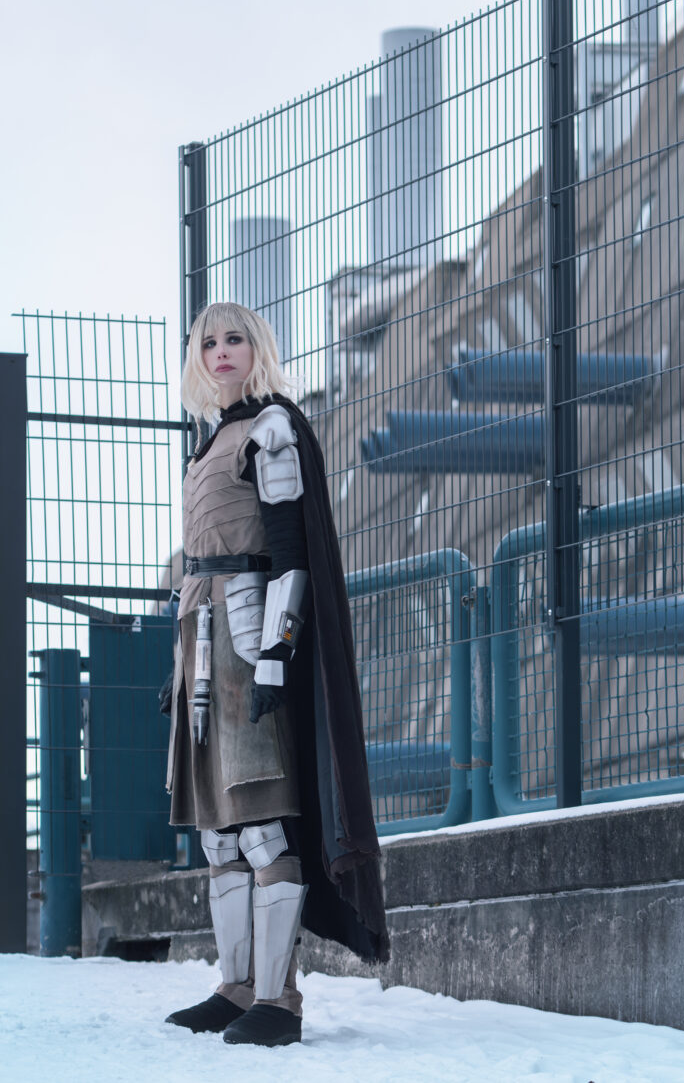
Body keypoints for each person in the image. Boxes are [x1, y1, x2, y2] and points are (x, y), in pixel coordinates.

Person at [163, 302, 389, 1047]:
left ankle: (277, 1000)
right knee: (219, 835)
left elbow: (292, 557)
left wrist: (276, 653)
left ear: (256, 346)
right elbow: (197, 563)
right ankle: (236, 987)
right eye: (209, 341)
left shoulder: (272, 428)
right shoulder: (207, 444)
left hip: (250, 633)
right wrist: (180, 664)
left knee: (262, 826)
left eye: (235, 338)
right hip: (202, 639)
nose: (222, 351)